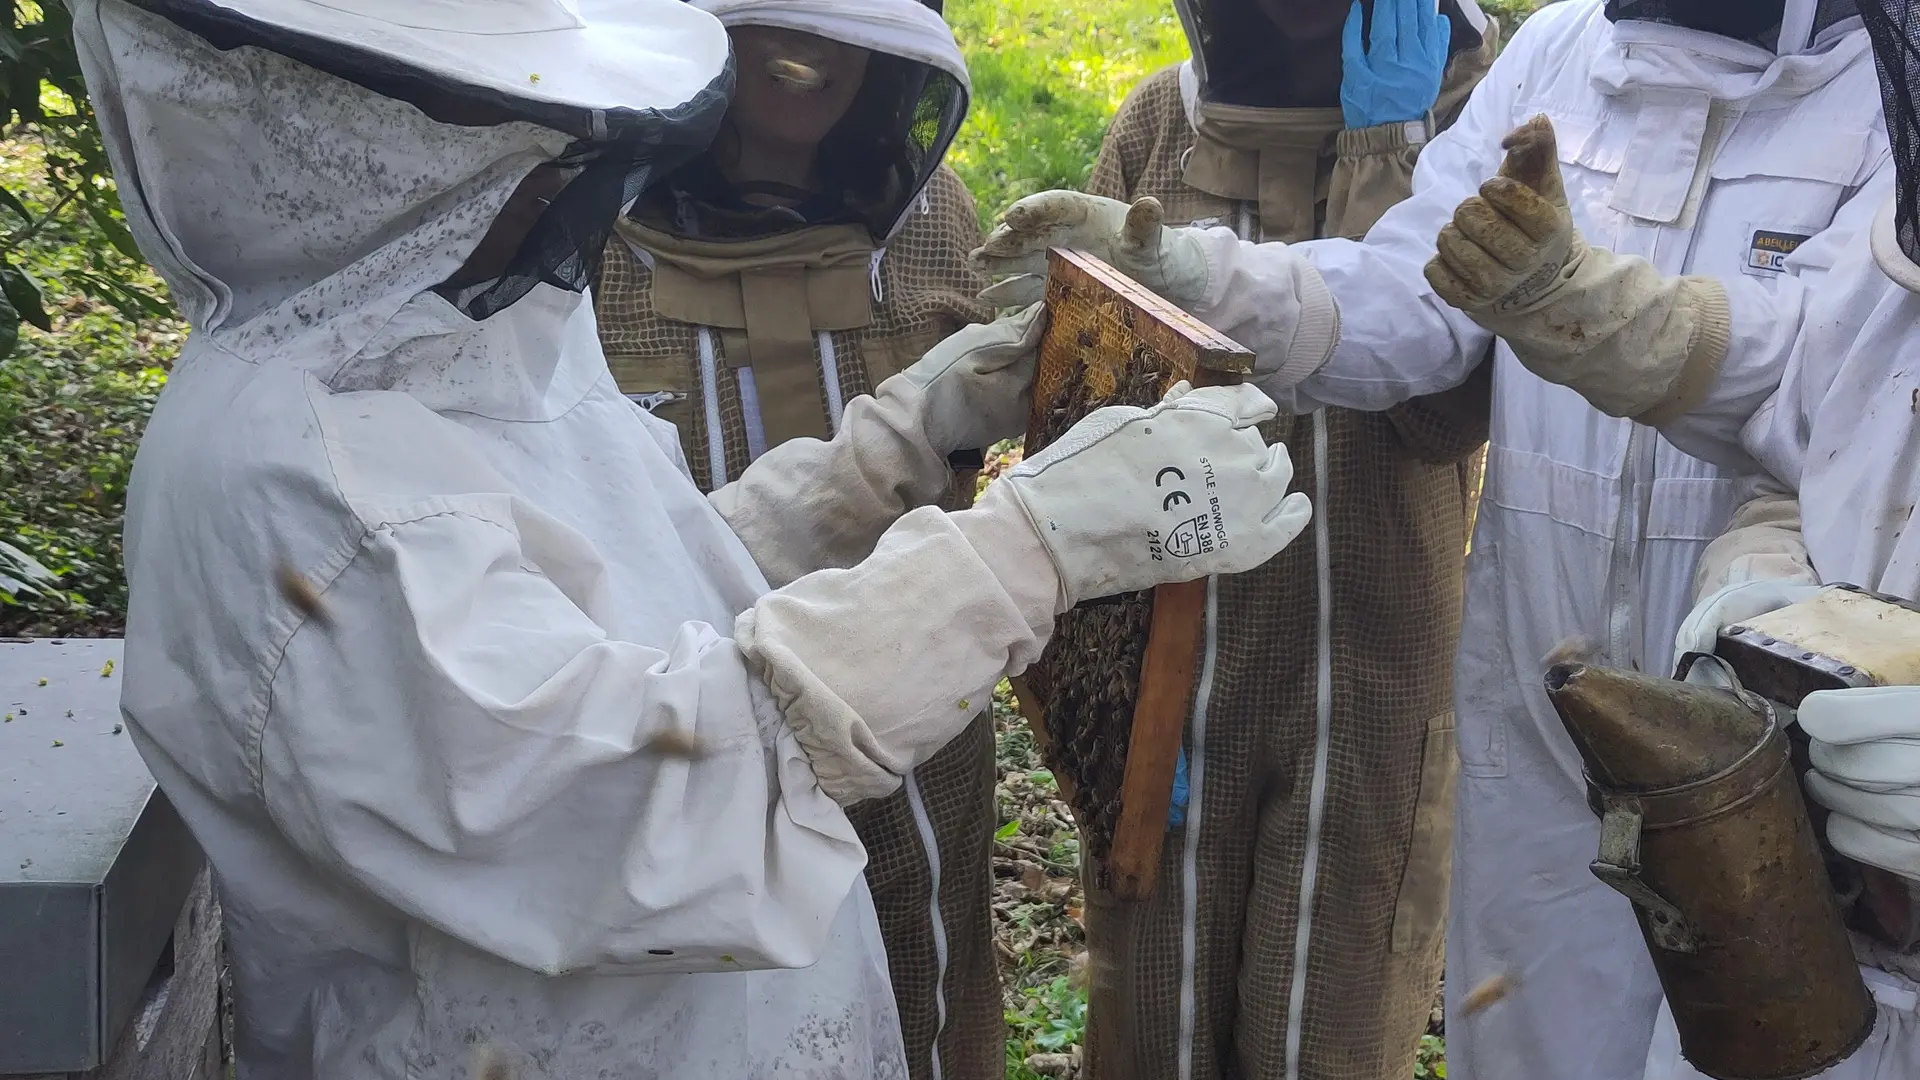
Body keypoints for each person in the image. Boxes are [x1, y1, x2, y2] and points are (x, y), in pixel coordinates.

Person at [86, 0, 1317, 1076]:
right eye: (515, 127)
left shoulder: (444, 356)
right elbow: (650, 800)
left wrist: (900, 437)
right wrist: (1025, 551)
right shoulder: (307, 492)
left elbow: (645, 585)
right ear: (371, 157)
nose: (559, 170)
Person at [970, 3, 1890, 1080]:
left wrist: (1588, 304)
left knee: (1777, 1037)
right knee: (1535, 1034)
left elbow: (1841, 382)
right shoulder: (1559, 55)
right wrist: (1200, 278)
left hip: (1764, 681)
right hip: (1542, 696)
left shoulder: (1887, 98)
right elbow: (1417, 292)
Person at [1424, 0, 1920, 1072]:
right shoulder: (1898, 218)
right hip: (1795, 856)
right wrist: (1759, 592)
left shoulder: (1858, 109)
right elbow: (1814, 440)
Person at [1057, 0, 1497, 1076]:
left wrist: (1389, 159)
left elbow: (1441, 419)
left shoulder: (1473, 118)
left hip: (1374, 673)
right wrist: (1098, 690)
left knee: (1327, 1034)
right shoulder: (1158, 122)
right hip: (1174, 669)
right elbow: (1091, 405)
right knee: (1154, 1031)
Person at [590, 2, 1000, 1075]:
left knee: (929, 1005)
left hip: (924, 751)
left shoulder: (937, 219)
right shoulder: (578, 243)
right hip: (673, 762)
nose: (808, 37)